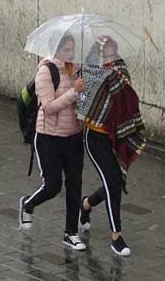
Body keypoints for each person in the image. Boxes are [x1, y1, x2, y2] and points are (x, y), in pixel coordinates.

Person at [79, 35, 146, 256]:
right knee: (112, 181)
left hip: (116, 137)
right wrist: (92, 80)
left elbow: (127, 98)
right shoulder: (89, 71)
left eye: (111, 52)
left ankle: (86, 204)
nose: (108, 56)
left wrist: (111, 77)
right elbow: (84, 102)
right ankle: (116, 236)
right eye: (104, 52)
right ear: (97, 53)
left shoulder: (119, 70)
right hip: (95, 138)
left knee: (113, 183)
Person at [19, 33, 87, 251]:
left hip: (74, 136)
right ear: (57, 50)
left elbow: (81, 102)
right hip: (49, 137)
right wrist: (74, 92)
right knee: (53, 186)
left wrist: (85, 97)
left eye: (72, 50)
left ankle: (71, 233)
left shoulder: (77, 69)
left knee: (75, 185)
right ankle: (27, 204)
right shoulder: (45, 71)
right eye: (66, 50)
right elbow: (48, 108)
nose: (70, 54)